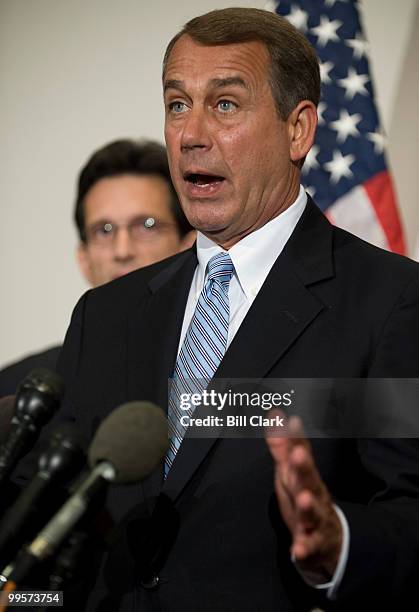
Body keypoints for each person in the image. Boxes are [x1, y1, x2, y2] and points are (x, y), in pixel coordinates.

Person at [15, 8, 419, 611]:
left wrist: (339, 549)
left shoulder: (389, 301)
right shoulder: (106, 315)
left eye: (225, 104)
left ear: (298, 130)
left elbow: (410, 510)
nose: (191, 133)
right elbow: (53, 524)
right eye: (178, 105)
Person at [0, 139, 194, 397]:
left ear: (189, 248)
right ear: (84, 260)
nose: (122, 250)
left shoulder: (228, 377)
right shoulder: (15, 391)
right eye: (103, 230)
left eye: (147, 225)